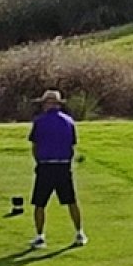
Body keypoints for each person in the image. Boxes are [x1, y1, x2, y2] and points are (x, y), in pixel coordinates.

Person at [27, 89, 85, 249]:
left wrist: (38, 162)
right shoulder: (69, 121)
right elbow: (72, 146)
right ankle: (79, 233)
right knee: (71, 201)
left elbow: (35, 146)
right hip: (63, 166)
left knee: (40, 204)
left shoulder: (39, 122)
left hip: (45, 166)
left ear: (47, 104)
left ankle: (40, 237)